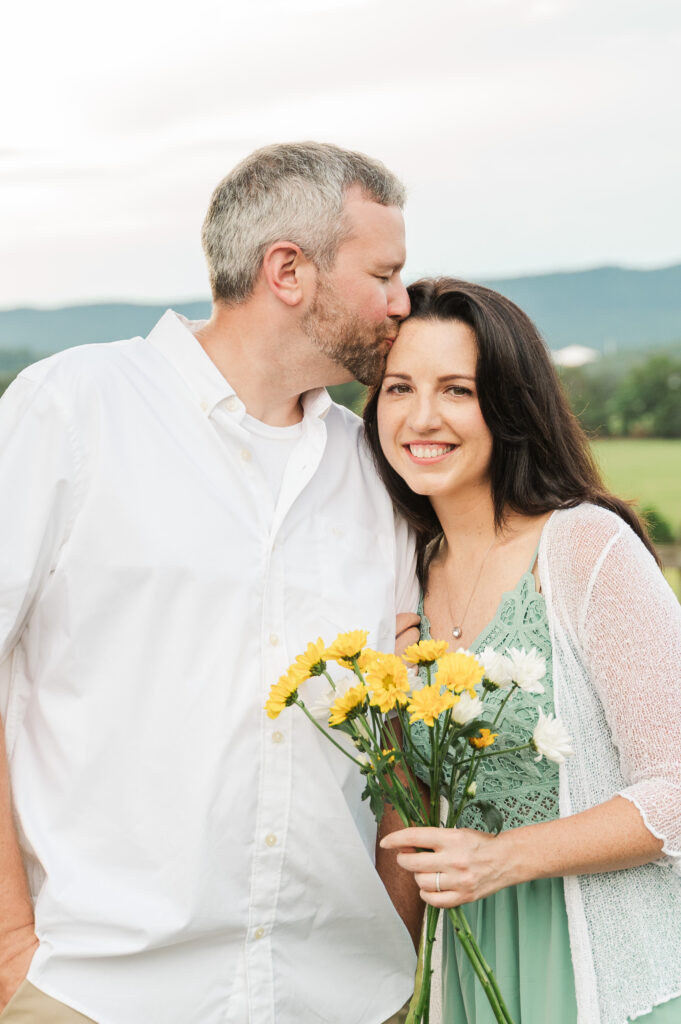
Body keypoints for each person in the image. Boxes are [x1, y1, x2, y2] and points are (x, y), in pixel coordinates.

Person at [0, 143, 421, 1024]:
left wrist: (403, 929)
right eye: (384, 273)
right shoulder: (71, 408)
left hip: (341, 994)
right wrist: (10, 944)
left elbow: (401, 715)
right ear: (287, 271)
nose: (401, 303)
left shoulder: (373, 467)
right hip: (99, 990)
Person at [364, 277, 681, 1024]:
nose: (421, 417)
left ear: (508, 406)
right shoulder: (400, 571)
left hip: (614, 980)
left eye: (456, 390)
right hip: (468, 977)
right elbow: (405, 819)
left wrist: (500, 858)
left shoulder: (582, 547)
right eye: (399, 387)